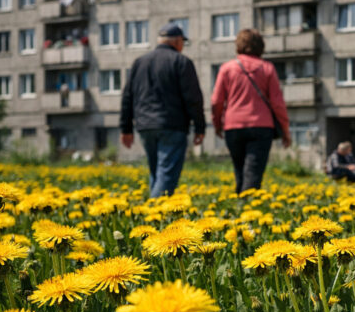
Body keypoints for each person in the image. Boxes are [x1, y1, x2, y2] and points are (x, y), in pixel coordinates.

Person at [120, 23, 205, 198]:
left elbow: (127, 96)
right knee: (166, 175)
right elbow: (193, 98)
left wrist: (125, 128)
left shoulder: (139, 62)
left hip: (145, 126)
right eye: (182, 42)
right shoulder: (181, 62)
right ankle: (154, 211)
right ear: (177, 41)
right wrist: (200, 127)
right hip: (172, 126)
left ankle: (153, 208)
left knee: (156, 173)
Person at [211, 29, 291, 194]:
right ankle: (248, 204)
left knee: (239, 171)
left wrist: (217, 124)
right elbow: (278, 104)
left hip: (233, 126)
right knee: (254, 172)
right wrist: (285, 130)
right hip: (261, 126)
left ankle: (240, 202)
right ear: (261, 46)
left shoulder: (227, 68)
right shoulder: (267, 68)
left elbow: (216, 101)